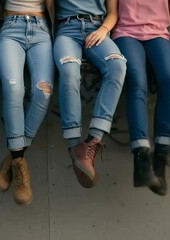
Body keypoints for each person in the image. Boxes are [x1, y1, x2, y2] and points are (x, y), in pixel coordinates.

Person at [53, 0, 126, 188]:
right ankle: (75, 145)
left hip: (97, 29)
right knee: (69, 72)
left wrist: (103, 30)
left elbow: (112, 12)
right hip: (66, 30)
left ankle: (93, 140)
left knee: (117, 66)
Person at [111, 0, 170, 195]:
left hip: (158, 34)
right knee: (138, 83)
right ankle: (141, 159)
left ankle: (160, 159)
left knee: (169, 82)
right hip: (126, 33)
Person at [0, 0, 55, 206]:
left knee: (43, 92)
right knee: (13, 89)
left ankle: (14, 157)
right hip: (11, 27)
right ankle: (20, 166)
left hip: (41, 29)